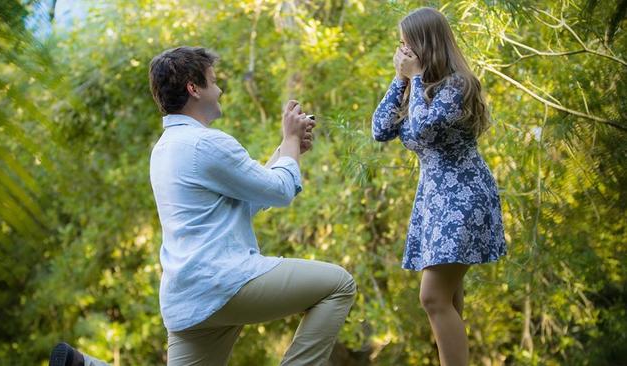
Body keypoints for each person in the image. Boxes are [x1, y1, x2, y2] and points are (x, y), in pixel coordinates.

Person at [50, 46, 356, 366]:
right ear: (193, 88)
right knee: (338, 285)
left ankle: (84, 364)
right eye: (213, 81)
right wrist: (291, 142)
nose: (220, 89)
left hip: (186, 299)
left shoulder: (165, 149)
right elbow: (280, 191)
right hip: (223, 282)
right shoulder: (206, 143)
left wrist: (287, 149)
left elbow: (247, 198)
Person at [371, 8, 507, 366]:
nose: (402, 53)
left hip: (463, 195)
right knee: (448, 298)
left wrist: (414, 80)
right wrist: (401, 81)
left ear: (426, 44)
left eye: (407, 45)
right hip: (434, 199)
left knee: (432, 297)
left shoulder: (457, 85)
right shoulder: (417, 86)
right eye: (400, 46)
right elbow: (380, 129)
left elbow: (423, 130)